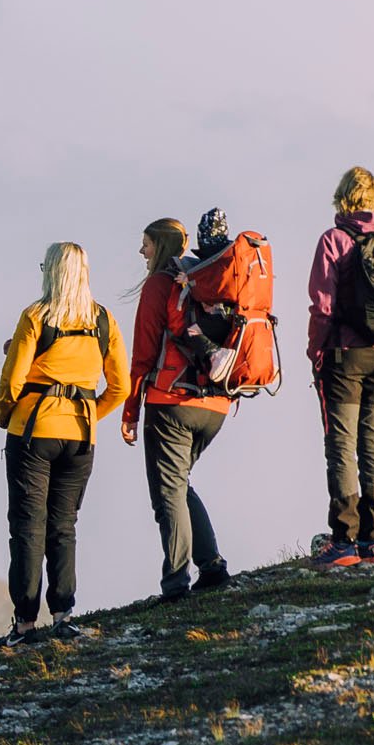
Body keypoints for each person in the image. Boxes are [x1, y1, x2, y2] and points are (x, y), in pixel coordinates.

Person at [0, 242, 129, 647]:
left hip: (32, 432)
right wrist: (88, 415)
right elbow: (120, 386)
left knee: (27, 527)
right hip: (80, 437)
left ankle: (25, 624)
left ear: (51, 271)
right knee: (64, 526)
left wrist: (4, 415)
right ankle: (64, 614)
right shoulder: (103, 320)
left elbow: (13, 379)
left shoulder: (36, 316)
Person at [307, 166, 374, 568]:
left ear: (343, 198)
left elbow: (323, 306)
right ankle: (373, 539)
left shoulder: (334, 240)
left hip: (344, 356)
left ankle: (343, 540)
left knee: (341, 443)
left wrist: (315, 351)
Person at [121, 216, 234, 600]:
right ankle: (212, 567)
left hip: (171, 402)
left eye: (146, 244)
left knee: (167, 493)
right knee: (180, 484)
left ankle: (175, 584)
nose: (142, 251)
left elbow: (143, 353)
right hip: (216, 404)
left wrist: (131, 410)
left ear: (162, 246)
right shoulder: (203, 282)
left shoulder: (160, 285)